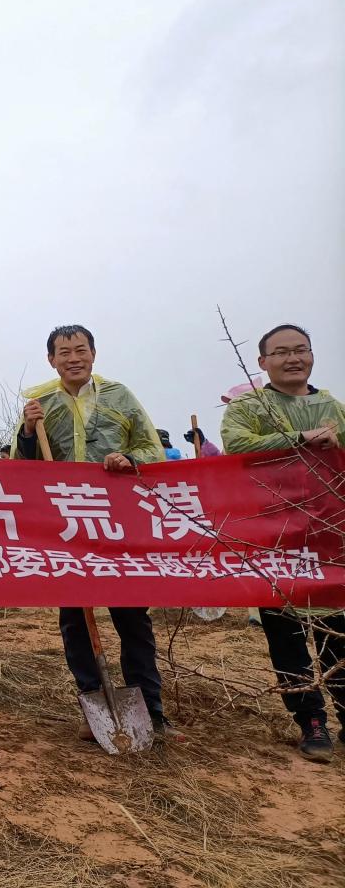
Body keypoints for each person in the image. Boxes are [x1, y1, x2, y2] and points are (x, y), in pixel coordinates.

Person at [11, 324, 179, 741]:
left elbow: (151, 451)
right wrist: (29, 432)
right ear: (51, 359)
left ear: (93, 353)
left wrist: (129, 459)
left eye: (80, 350)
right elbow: (20, 467)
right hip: (65, 525)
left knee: (132, 618)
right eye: (63, 352)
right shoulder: (40, 401)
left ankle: (152, 712)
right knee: (75, 618)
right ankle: (94, 704)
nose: (73, 358)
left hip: (116, 521)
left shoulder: (120, 396)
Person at [220, 323, 345, 762]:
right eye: (281, 352)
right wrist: (297, 439)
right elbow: (236, 447)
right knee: (286, 633)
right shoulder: (248, 407)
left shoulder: (333, 407)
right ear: (262, 362)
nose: (293, 359)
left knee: (339, 632)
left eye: (301, 350)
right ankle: (310, 720)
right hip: (274, 538)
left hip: (332, 539)